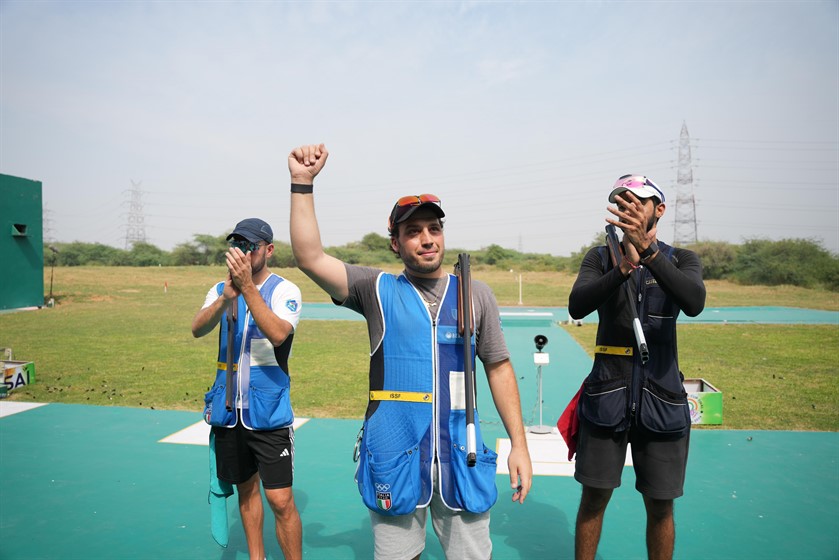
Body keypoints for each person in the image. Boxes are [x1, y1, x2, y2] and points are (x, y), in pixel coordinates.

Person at [287, 143, 532, 560]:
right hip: (395, 454)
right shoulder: (375, 289)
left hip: (462, 454)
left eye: (434, 229)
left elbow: (499, 367)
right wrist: (302, 183)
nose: (426, 239)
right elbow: (309, 257)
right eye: (413, 232)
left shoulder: (476, 294)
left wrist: (519, 445)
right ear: (396, 244)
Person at [567, 175, 706, 560]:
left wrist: (650, 254)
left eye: (638, 201)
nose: (629, 206)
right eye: (621, 200)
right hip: (606, 398)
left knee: (660, 505)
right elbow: (577, 305)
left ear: (658, 210)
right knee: (594, 498)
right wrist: (624, 266)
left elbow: (694, 302)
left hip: (662, 400)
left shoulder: (681, 258)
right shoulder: (599, 257)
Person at [191, 218, 303, 560]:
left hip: (268, 413)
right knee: (246, 490)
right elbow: (197, 329)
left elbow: (279, 333)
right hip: (228, 411)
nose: (242, 252)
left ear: (268, 250)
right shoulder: (220, 288)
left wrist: (247, 289)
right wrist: (226, 298)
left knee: (280, 500)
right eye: (237, 245)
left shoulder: (285, 290)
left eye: (250, 246)